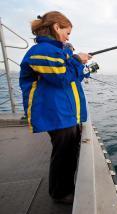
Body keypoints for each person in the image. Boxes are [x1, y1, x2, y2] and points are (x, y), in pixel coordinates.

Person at [19, 11, 91, 204]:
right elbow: (61, 78)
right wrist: (76, 60)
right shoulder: (41, 51)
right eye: (67, 33)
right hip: (56, 114)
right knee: (63, 155)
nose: (69, 37)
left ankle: (66, 187)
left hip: (66, 113)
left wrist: (78, 64)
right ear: (57, 27)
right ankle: (60, 193)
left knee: (68, 152)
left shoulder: (56, 52)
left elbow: (68, 75)